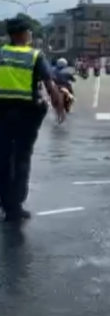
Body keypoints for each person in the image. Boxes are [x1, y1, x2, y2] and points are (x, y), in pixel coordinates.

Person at [0, 16, 65, 223]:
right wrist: (58, 105)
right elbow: (49, 83)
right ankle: (15, 206)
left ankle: (5, 203)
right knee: (21, 157)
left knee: (2, 158)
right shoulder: (35, 55)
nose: (30, 36)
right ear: (23, 34)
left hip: (2, 111)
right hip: (27, 113)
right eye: (29, 32)